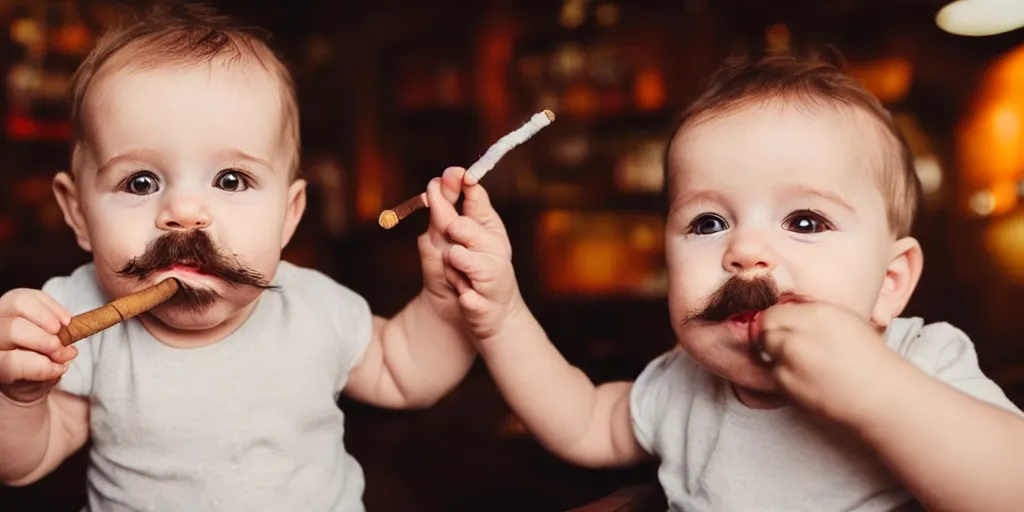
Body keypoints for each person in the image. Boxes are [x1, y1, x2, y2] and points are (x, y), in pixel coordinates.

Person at [440, 46, 1023, 511]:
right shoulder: (686, 384)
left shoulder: (920, 362)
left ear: (891, 281)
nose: (744, 251)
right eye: (708, 222)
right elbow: (586, 423)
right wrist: (502, 316)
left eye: (804, 220)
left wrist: (880, 389)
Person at [0, 4, 476, 511]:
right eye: (141, 182)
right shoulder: (72, 318)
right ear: (77, 214)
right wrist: (17, 397)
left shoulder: (312, 307)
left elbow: (406, 374)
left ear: (288, 216)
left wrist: (449, 300)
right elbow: (24, 464)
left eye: (231, 179)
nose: (185, 213)